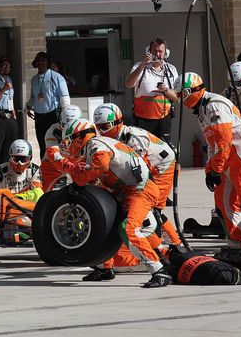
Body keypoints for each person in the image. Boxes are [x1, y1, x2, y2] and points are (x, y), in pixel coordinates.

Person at [59, 118, 172, 288]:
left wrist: (66, 165)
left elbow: (100, 167)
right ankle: (105, 267)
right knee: (105, 224)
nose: (67, 146)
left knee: (129, 229)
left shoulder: (96, 145)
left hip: (140, 190)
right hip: (130, 190)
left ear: (80, 137)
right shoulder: (96, 145)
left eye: (68, 140)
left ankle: (159, 269)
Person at [174, 72, 241, 248]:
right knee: (222, 202)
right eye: (178, 96)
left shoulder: (214, 105)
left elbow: (223, 142)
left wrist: (216, 169)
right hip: (227, 157)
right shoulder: (201, 110)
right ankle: (237, 244)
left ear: (194, 91)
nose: (181, 100)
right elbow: (212, 144)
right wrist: (210, 171)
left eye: (182, 95)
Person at [92, 102, 181, 245]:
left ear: (118, 123)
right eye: (98, 127)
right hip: (147, 168)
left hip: (162, 166)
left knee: (151, 209)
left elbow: (138, 171)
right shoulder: (113, 139)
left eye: (105, 127)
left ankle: (174, 244)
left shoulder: (134, 139)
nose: (101, 131)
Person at [124, 37, 178, 142]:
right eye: (155, 51)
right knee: (143, 150)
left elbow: (177, 97)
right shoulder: (139, 67)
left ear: (166, 53)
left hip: (164, 120)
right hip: (142, 119)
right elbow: (128, 84)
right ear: (149, 51)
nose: (158, 54)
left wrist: (165, 90)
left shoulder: (171, 70)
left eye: (161, 51)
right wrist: (143, 64)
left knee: (164, 152)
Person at [26, 51, 70, 156]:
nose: (41, 63)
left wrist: (65, 114)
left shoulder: (57, 77)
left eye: (43, 60)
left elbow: (64, 97)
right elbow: (33, 97)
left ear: (48, 62)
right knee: (42, 144)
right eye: (38, 61)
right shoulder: (34, 79)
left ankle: (57, 168)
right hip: (39, 116)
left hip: (53, 115)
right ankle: (44, 168)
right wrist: (28, 107)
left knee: (54, 143)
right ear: (35, 63)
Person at [40, 104, 83, 192]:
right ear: (60, 122)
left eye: (72, 127)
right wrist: (69, 166)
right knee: (41, 190)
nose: (68, 131)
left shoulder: (87, 128)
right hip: (54, 164)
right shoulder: (52, 131)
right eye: (65, 125)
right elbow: (52, 153)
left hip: (77, 162)